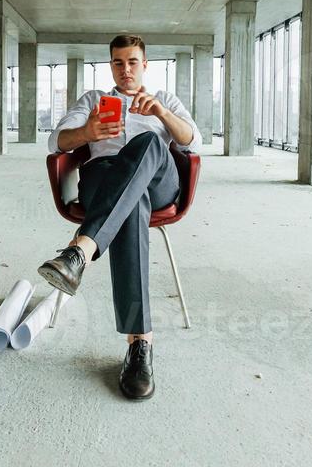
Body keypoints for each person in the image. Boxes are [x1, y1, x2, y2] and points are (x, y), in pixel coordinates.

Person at [37, 34, 199, 401]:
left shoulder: (166, 100)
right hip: (104, 177)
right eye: (118, 63)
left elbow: (193, 141)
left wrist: (160, 113)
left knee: (151, 144)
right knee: (131, 201)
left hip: (160, 180)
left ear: (145, 64)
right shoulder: (93, 101)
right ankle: (140, 344)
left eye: (132, 62)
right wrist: (86, 132)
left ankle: (81, 249)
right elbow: (55, 143)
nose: (125, 69)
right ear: (111, 65)